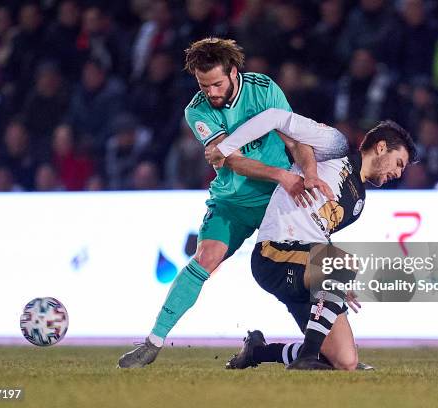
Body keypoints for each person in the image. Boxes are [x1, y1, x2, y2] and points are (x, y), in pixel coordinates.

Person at [117, 38, 332, 368]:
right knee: (205, 259)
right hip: (232, 202)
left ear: (233, 72)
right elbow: (229, 159)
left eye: (217, 83)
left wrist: (309, 172)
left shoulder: (264, 90)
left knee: (306, 268)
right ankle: (152, 343)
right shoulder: (196, 109)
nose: (212, 93)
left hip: (276, 201)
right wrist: (283, 175)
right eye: (204, 85)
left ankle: (324, 350)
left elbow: (296, 136)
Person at [205, 108, 417, 370]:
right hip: (274, 253)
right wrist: (226, 147)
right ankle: (306, 358)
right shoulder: (335, 148)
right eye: (399, 163)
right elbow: (275, 117)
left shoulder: (359, 202)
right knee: (343, 264)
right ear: (382, 147)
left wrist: (334, 285)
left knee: (345, 361)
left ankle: (258, 352)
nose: (398, 173)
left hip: (302, 265)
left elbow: (317, 236)